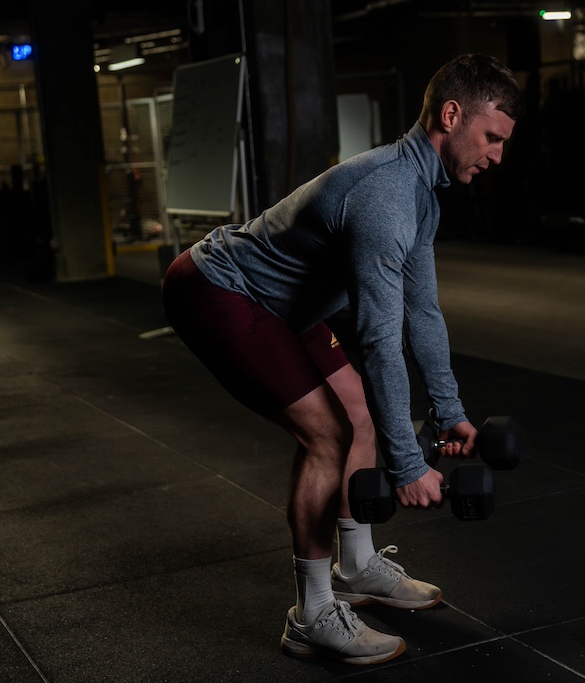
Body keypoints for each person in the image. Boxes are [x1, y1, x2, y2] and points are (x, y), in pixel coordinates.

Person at [161, 53, 522, 666]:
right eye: (491, 137)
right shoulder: (384, 193)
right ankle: (312, 613)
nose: (497, 154)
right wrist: (407, 465)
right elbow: (381, 337)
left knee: (358, 408)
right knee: (328, 435)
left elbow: (423, 313)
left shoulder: (424, 193)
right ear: (451, 114)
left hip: (285, 306)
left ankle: (356, 566)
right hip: (217, 290)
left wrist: (450, 411)